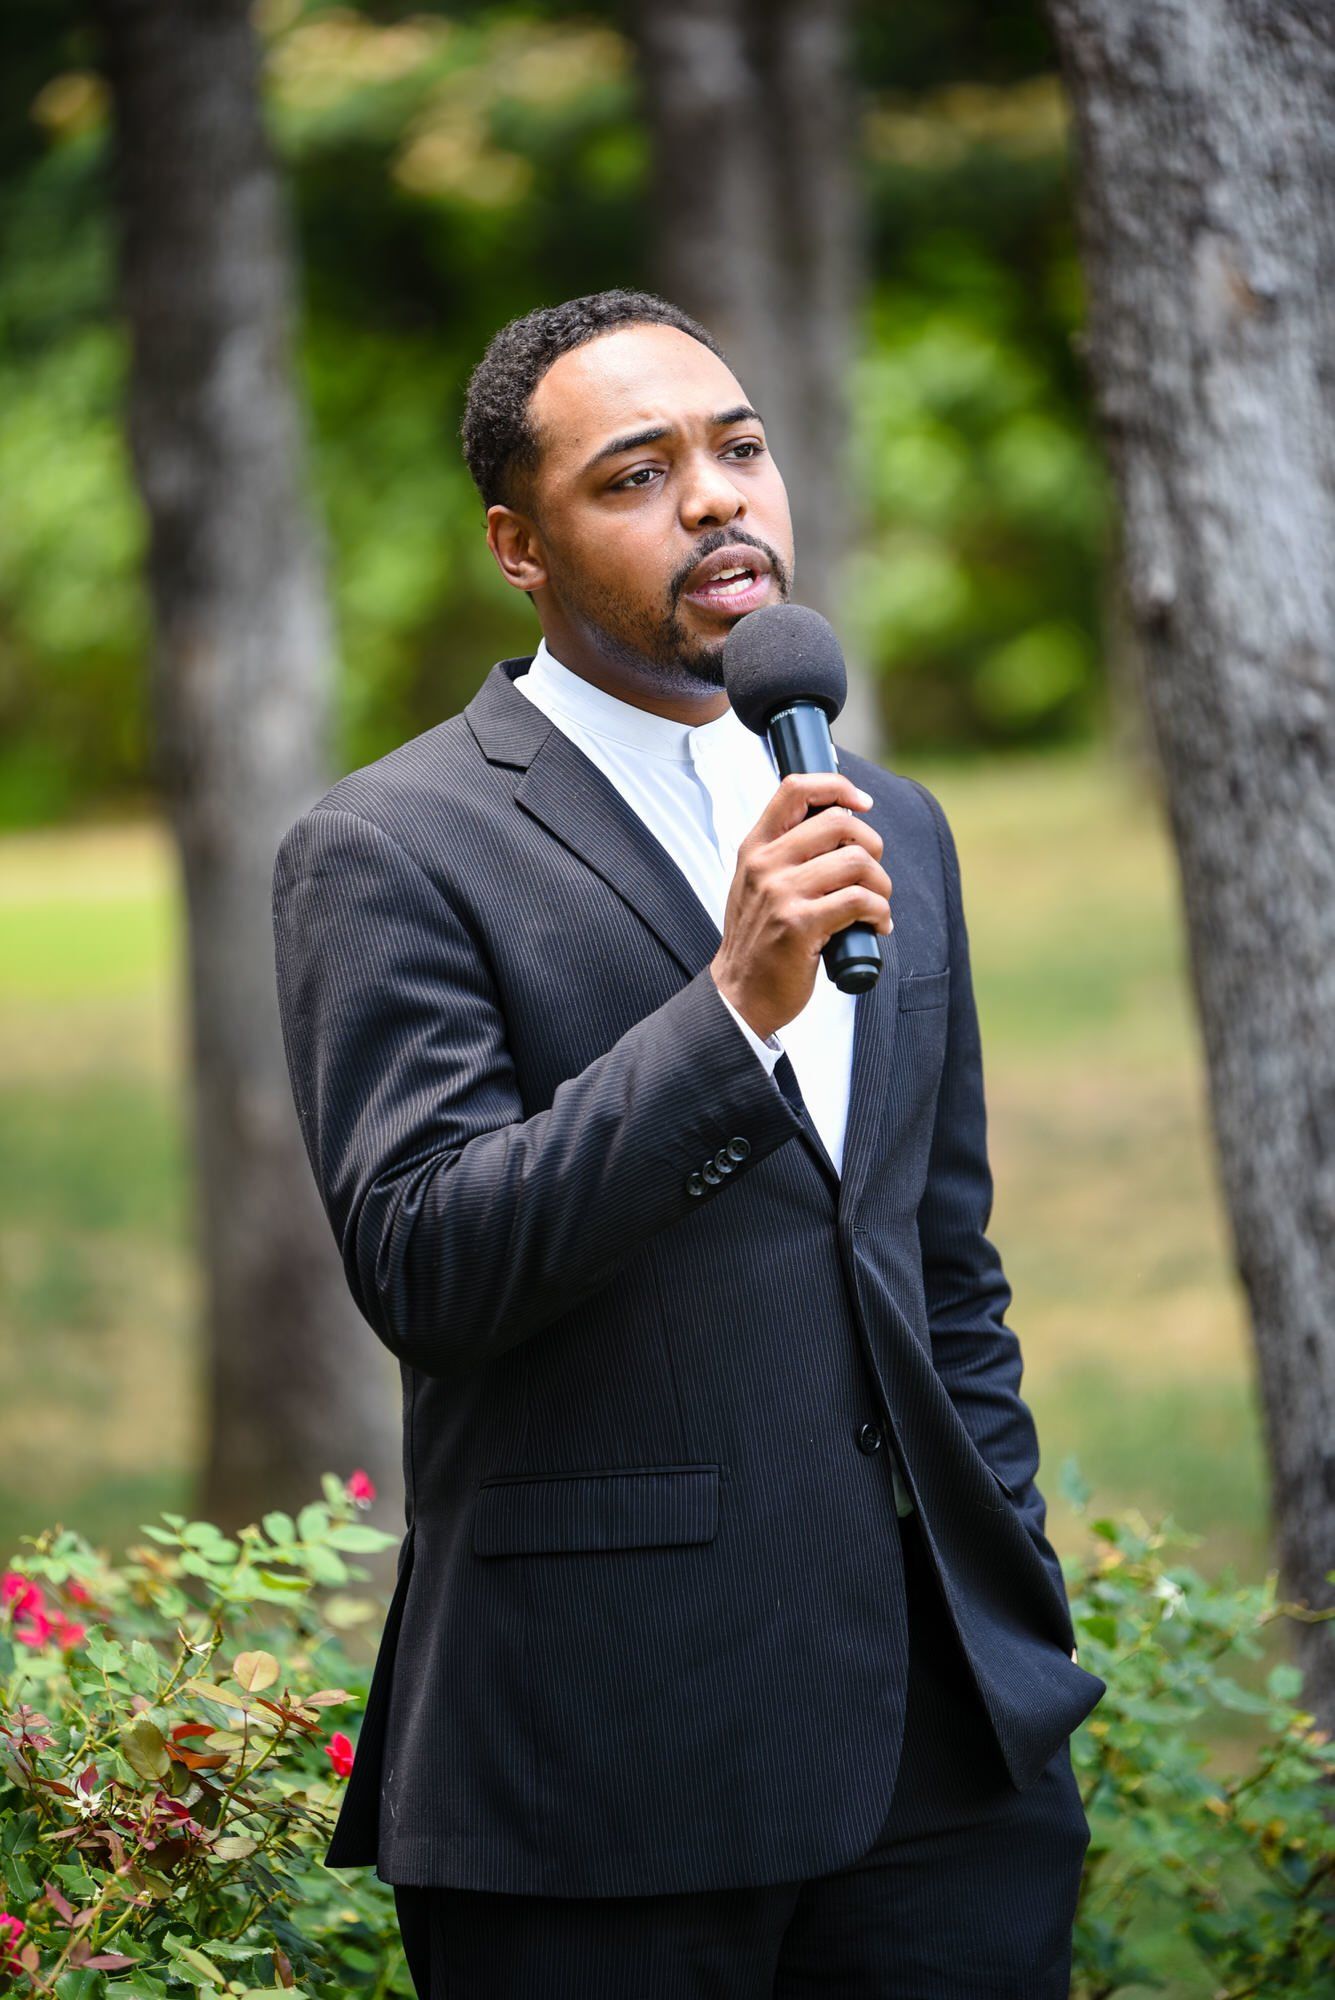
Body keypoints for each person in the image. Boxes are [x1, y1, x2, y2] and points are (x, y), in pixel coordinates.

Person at [271, 288, 1107, 1998]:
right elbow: (430, 1262)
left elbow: (941, 1256)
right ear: (521, 543)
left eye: (738, 449)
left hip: (947, 1761)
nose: (718, 499)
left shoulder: (895, 826)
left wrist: (1013, 1583)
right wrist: (732, 1011)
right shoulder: (390, 846)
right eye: (636, 474)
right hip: (606, 1757)